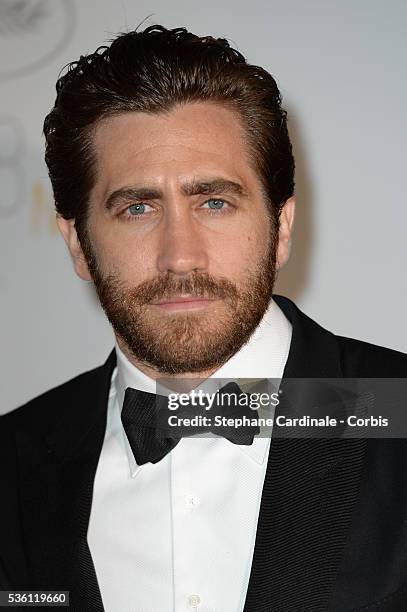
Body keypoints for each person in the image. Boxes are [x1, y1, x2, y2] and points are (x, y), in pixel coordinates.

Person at [1, 24, 406, 612]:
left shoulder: (397, 409)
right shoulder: (12, 463)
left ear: (281, 227)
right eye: (137, 208)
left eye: (214, 202)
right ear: (78, 246)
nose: (180, 255)